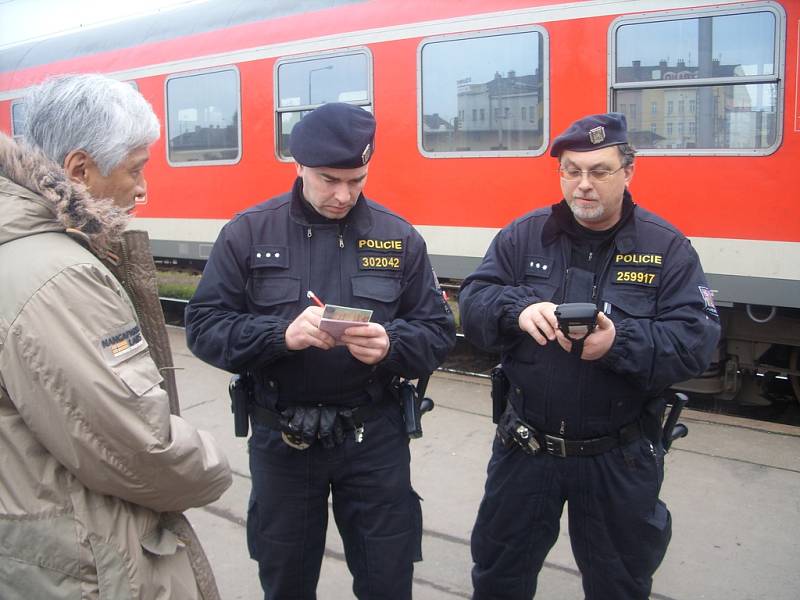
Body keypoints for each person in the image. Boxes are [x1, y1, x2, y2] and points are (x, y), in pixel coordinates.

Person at [185, 102, 456, 599]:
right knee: (286, 578)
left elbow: (438, 333)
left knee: (387, 578)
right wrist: (279, 336)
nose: (343, 195)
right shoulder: (249, 232)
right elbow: (202, 326)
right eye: (329, 179)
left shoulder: (398, 237)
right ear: (299, 166)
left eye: (357, 180)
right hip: (283, 439)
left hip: (373, 439)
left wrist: (393, 345)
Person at [459, 112, 721, 600]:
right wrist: (518, 309)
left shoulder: (666, 248)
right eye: (571, 171)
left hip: (617, 458)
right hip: (526, 450)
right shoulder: (523, 235)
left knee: (619, 585)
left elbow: (697, 339)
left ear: (628, 171)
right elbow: (471, 304)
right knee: (498, 578)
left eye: (598, 171)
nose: (583, 185)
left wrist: (616, 343)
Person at [0, 74, 232, 600]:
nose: (144, 188)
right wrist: (214, 468)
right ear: (79, 170)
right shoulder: (59, 276)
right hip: (87, 559)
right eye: (136, 169)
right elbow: (136, 447)